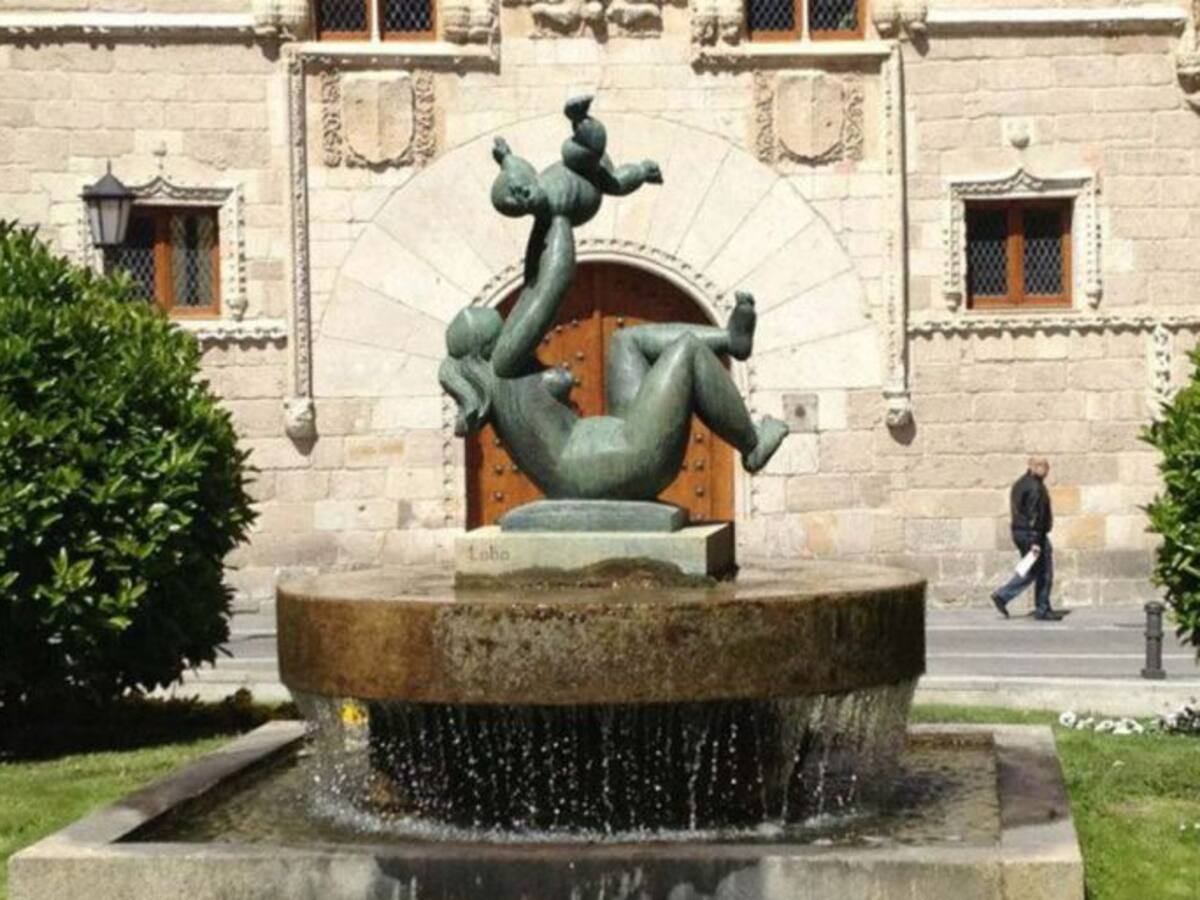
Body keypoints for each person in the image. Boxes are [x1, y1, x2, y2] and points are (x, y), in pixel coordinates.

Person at [439, 97, 789, 501]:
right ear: (481, 346)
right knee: (687, 352)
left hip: (605, 453)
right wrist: (558, 220)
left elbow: (533, 281)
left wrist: (539, 210)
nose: (487, 309)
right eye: (479, 314)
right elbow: (550, 286)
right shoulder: (503, 360)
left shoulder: (503, 366)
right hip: (607, 466)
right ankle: (751, 444)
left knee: (626, 340)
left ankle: (731, 340)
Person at [991, 457, 1063, 621]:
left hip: (1020, 532)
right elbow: (1034, 516)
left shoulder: (1020, 483)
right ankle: (1041, 608)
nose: (1045, 469)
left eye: (1045, 466)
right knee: (1044, 572)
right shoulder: (1035, 487)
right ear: (1033, 467)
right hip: (1034, 534)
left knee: (1031, 570)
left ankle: (1004, 596)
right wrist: (1036, 542)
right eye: (1042, 466)